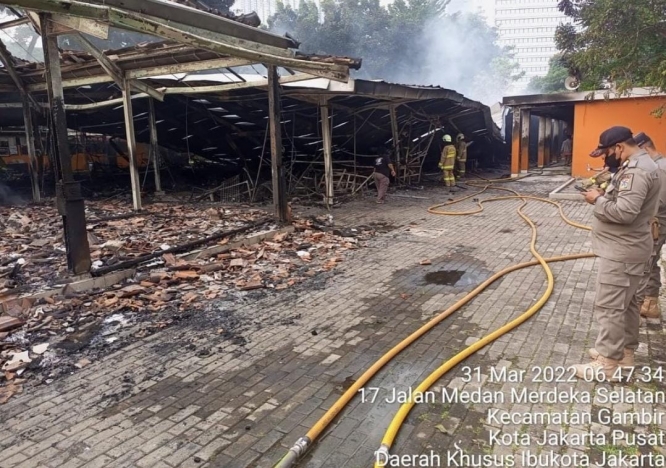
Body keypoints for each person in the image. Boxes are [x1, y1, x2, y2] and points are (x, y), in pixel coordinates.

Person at [576, 126, 660, 382]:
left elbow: (624, 213)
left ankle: (606, 362)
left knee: (610, 306)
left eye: (609, 152)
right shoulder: (640, 165)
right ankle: (624, 354)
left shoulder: (636, 171)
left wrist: (596, 200)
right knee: (628, 305)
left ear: (620, 147)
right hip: (631, 249)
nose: (608, 157)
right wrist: (605, 194)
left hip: (622, 252)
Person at [633, 132, 666, 319]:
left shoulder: (659, 168)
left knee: (643, 266)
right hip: (657, 224)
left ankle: (634, 314)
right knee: (651, 264)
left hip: (656, 224)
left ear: (645, 149)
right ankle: (651, 304)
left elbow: (657, 204)